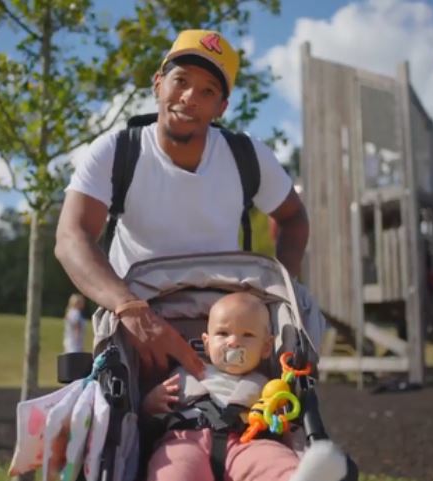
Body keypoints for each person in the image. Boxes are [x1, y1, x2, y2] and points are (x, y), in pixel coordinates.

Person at [55, 29, 311, 383]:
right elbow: (71, 237)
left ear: (221, 106)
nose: (190, 97)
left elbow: (293, 217)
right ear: (158, 83)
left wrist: (280, 295)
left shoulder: (246, 155)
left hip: (227, 324)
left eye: (208, 91)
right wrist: (131, 310)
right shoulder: (116, 152)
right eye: (180, 80)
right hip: (138, 317)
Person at [143, 292, 299, 481]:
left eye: (247, 335)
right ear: (207, 344)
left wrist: (281, 423)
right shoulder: (183, 374)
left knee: (272, 458)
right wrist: (151, 402)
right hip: (187, 438)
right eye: (223, 333)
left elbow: (282, 426)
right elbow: (149, 418)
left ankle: (294, 476)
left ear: (266, 347)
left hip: (247, 443)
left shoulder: (267, 385)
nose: (233, 342)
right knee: (173, 464)